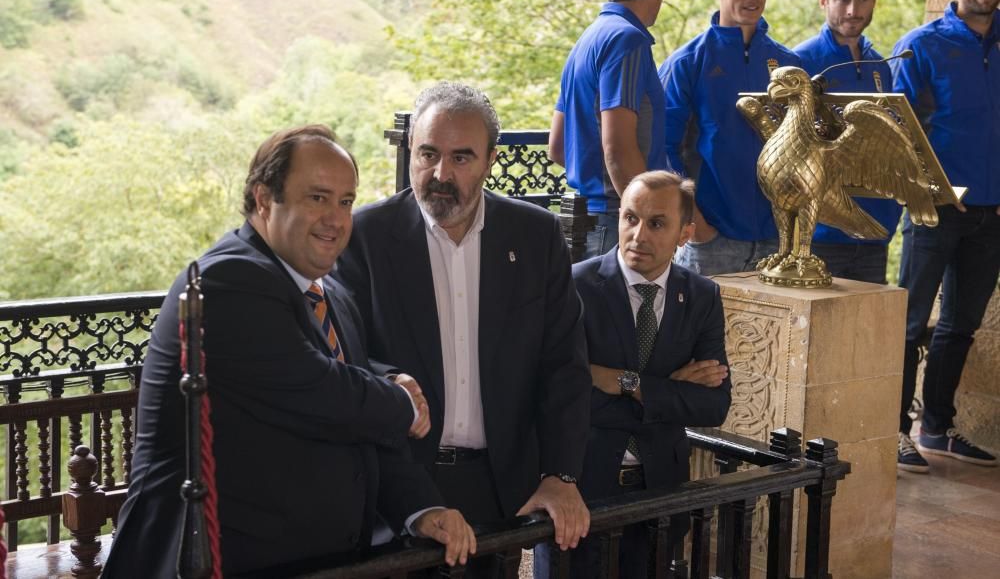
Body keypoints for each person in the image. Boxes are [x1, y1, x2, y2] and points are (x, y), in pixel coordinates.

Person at [104, 125, 475, 578]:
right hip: (214, 561)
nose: (336, 220)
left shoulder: (331, 294)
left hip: (319, 561)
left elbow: (361, 429)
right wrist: (402, 400)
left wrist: (422, 508)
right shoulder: (228, 280)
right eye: (317, 198)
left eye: (345, 201)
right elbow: (323, 395)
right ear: (263, 199)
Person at [335, 82, 592, 576]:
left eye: (461, 158)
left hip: (499, 489)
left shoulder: (534, 235)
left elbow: (563, 362)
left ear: (491, 159)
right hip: (398, 486)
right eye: (428, 154)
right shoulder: (364, 236)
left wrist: (561, 474)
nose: (440, 174)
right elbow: (345, 356)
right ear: (411, 148)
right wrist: (391, 381)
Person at [559, 171, 731, 577]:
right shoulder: (575, 286)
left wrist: (626, 383)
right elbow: (566, 394)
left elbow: (713, 405)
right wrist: (670, 393)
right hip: (583, 487)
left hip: (661, 488)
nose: (638, 235)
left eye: (656, 224)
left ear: (684, 234)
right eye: (630, 218)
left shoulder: (703, 296)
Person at [890, 0, 1000, 473]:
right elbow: (898, 133)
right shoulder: (921, 46)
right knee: (909, 324)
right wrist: (920, 193)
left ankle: (937, 428)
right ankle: (894, 433)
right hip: (933, 211)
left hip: (993, 214)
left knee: (960, 326)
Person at [659, 0, 800, 276]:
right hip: (712, 242)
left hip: (777, 243)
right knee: (701, 332)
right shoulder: (688, 63)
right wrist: (697, 223)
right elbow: (661, 149)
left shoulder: (789, 64)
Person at [549, 0, 668, 258]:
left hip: (582, 222)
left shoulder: (586, 40)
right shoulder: (627, 40)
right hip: (616, 224)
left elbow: (557, 147)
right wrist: (650, 221)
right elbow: (618, 149)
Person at [793, 0, 901, 284]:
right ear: (824, 0)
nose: (853, 10)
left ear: (874, 2)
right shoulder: (800, 60)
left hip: (874, 230)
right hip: (822, 233)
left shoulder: (880, 65)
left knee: (865, 333)